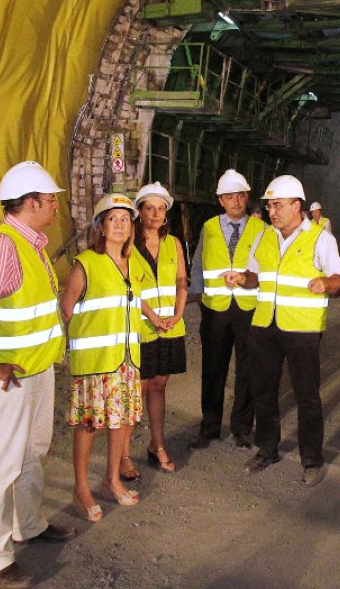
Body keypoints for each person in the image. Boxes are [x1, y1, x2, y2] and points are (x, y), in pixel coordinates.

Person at [0, 161, 76, 589]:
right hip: (10, 376)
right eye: (50, 200)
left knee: (32, 452)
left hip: (36, 369)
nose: (56, 206)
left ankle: (28, 524)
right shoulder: (2, 247)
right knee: (1, 463)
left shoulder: (32, 243)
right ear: (30, 203)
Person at [222, 174, 340, 486]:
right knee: (263, 390)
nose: (272, 211)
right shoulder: (265, 237)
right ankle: (267, 449)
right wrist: (241, 278)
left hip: (302, 328)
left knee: (307, 395)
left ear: (296, 206)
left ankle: (312, 460)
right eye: (269, 205)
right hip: (265, 325)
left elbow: (338, 279)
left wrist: (325, 284)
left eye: (277, 205)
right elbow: (255, 276)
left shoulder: (320, 239)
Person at [61, 194, 163, 517]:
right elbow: (65, 309)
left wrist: (154, 318)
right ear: (101, 227)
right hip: (94, 364)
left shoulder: (132, 264)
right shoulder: (86, 263)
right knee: (89, 425)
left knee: (121, 422)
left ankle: (111, 479)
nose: (119, 225)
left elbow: (136, 300)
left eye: (124, 219)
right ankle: (81, 489)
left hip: (126, 361)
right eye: (112, 219)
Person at [187, 169, 265, 449]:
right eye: (229, 196)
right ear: (221, 200)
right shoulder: (208, 228)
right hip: (216, 309)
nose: (235, 201)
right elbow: (198, 262)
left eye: (240, 195)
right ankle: (209, 428)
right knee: (213, 369)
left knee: (248, 369)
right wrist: (197, 294)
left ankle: (242, 428)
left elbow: (267, 267)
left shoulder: (261, 229)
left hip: (248, 307)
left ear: (246, 197)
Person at [121, 182, 188, 477]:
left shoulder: (173, 243)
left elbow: (181, 282)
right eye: (150, 208)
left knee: (160, 385)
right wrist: (152, 316)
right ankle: (122, 455)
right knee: (140, 389)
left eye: (161, 209)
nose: (156, 214)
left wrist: (177, 314)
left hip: (170, 328)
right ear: (140, 212)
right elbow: (130, 287)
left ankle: (156, 444)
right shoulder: (128, 246)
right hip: (142, 328)